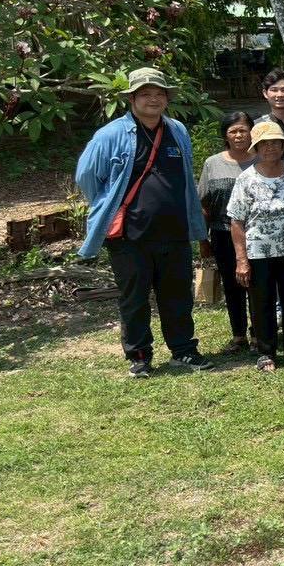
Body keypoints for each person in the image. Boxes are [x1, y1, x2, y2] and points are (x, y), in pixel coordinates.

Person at [75, 67, 210, 377]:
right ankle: (139, 355)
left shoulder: (177, 130)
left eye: (159, 94)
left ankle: (184, 350)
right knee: (134, 298)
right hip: (129, 235)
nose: (153, 99)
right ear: (132, 98)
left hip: (175, 231)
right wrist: (107, 203)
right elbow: (86, 177)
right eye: (146, 94)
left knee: (177, 295)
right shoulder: (110, 134)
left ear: (167, 99)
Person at [228, 121, 284, 370]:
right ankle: (266, 352)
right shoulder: (246, 179)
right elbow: (237, 222)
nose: (270, 148)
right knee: (261, 303)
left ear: (283, 145)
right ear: (256, 147)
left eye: (275, 142)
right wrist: (241, 259)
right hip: (258, 253)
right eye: (264, 144)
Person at [197, 110, 255, 352]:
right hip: (222, 233)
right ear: (225, 135)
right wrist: (203, 239)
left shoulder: (263, 158)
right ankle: (238, 334)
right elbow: (203, 205)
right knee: (232, 286)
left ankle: (259, 334)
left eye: (243, 129)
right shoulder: (213, 163)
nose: (239, 135)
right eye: (233, 131)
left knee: (258, 286)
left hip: (258, 233)